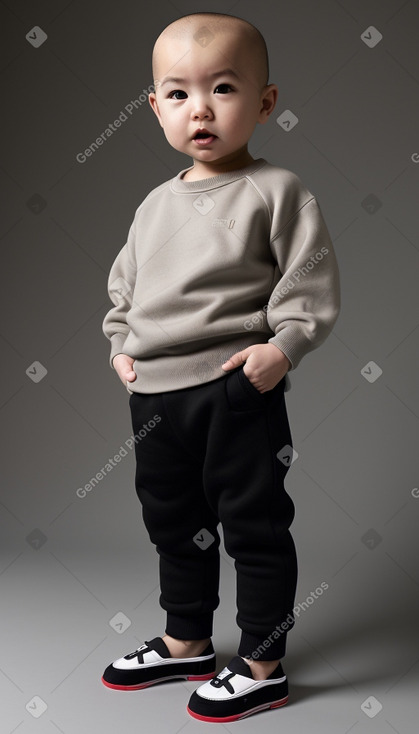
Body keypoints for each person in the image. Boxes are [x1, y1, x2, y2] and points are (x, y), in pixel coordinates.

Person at [101, 11, 340, 722]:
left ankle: (262, 663)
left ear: (265, 102)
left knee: (253, 524)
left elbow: (308, 286)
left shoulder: (279, 192)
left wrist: (281, 349)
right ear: (154, 107)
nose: (199, 108)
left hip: (235, 390)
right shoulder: (154, 205)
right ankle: (187, 641)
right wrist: (121, 345)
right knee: (173, 523)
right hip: (156, 400)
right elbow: (125, 287)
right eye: (176, 93)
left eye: (224, 88)